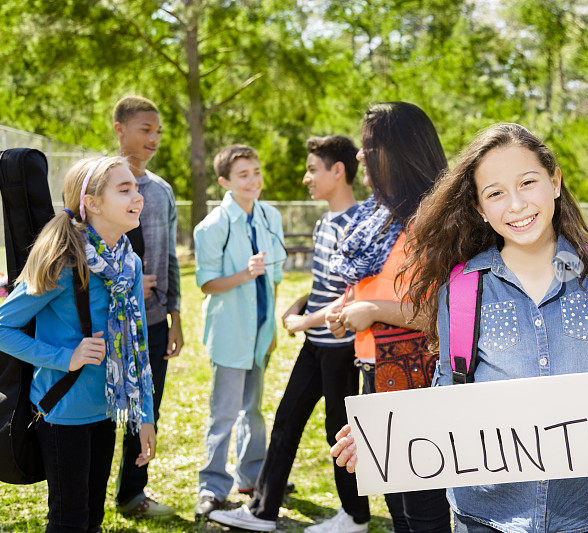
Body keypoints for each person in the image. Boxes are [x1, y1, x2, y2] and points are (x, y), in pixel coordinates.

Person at [332, 122, 588, 533]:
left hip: (581, 514)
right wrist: (382, 437)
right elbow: (449, 391)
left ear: (555, 181)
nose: (516, 204)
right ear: (480, 209)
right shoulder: (462, 289)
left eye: (528, 182)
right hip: (483, 516)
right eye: (495, 193)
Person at [0, 156, 156, 533]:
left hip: (106, 409)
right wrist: (67, 357)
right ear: (91, 203)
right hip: (62, 412)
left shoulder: (129, 263)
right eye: (124, 189)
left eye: (136, 188)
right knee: (68, 519)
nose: (137, 197)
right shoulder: (64, 259)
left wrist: (145, 417)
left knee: (93, 517)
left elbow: (138, 344)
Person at [210, 135, 370, 532]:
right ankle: (262, 511)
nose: (306, 178)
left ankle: (355, 516)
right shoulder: (324, 222)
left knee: (340, 431)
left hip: (340, 349)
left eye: (313, 169)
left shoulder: (358, 223)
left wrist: (303, 322)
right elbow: (329, 286)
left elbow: (353, 297)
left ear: (338, 171)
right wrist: (302, 302)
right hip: (316, 346)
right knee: (285, 421)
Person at [324, 102, 452, 533]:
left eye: (368, 146)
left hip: (417, 377)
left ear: (397, 151)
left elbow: (447, 311)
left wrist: (374, 310)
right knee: (399, 507)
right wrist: (349, 310)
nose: (359, 156)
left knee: (423, 510)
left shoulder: (435, 219)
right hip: (374, 371)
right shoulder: (382, 217)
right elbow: (379, 286)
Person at [193, 144, 286, 520]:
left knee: (254, 411)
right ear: (224, 182)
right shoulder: (211, 227)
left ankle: (252, 478)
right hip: (230, 332)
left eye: (257, 171)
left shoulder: (270, 216)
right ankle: (212, 488)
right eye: (243, 175)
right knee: (224, 414)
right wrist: (245, 274)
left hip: (261, 330)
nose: (253, 180)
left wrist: (273, 326)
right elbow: (206, 284)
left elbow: (275, 277)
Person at [112, 95, 182, 518]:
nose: (154, 138)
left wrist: (174, 315)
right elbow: (78, 253)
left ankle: (132, 495)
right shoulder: (94, 183)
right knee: (103, 414)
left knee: (145, 409)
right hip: (103, 324)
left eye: (158, 130)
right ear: (119, 129)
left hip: (153, 321)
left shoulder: (162, 191)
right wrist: (126, 281)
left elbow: (170, 256)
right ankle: (82, 497)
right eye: (145, 129)